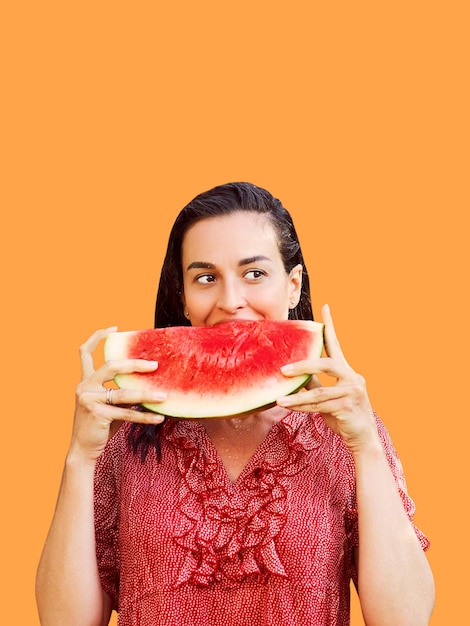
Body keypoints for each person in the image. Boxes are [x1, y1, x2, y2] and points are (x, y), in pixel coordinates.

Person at [36, 182, 434, 626]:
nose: (229, 301)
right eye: (205, 278)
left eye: (254, 273)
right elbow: (62, 621)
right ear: (183, 297)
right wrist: (80, 456)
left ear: (293, 285)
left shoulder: (347, 433)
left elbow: (407, 618)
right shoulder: (124, 435)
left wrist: (366, 447)